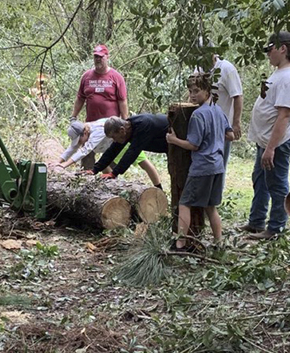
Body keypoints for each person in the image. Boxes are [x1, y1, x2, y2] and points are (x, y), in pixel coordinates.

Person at [240, 31, 290, 240]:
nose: (267, 53)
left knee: (276, 183)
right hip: (266, 140)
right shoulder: (280, 73)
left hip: (278, 142)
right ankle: (256, 222)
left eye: (270, 49)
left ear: (282, 48)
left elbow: (284, 115)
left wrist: (271, 148)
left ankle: (276, 228)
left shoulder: (289, 78)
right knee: (260, 180)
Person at [166, 74, 234, 250]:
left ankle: (180, 243)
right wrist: (215, 136)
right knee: (210, 206)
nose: (192, 95)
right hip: (218, 165)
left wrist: (174, 140)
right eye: (190, 91)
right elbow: (230, 135)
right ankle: (219, 243)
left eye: (196, 91)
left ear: (207, 90)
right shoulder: (217, 110)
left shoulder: (198, 115)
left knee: (184, 203)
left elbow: (193, 145)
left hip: (202, 166)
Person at [57, 119, 162, 188]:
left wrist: (65, 165)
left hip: (123, 143)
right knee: (104, 166)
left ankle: (158, 187)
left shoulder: (97, 130)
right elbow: (73, 147)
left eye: (79, 140)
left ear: (84, 132)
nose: (79, 143)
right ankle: (113, 188)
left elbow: (85, 150)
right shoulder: (86, 132)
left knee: (143, 163)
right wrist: (59, 163)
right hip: (112, 148)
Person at [70, 44, 128, 169]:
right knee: (87, 153)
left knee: (111, 155)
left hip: (112, 125)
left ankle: (112, 177)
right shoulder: (86, 76)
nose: (98, 59)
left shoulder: (116, 77)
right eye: (96, 56)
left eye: (101, 57)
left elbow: (122, 100)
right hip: (91, 125)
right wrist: (73, 117)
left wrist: (125, 121)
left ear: (107, 57)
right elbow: (80, 98)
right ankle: (86, 175)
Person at [90, 114, 169, 179]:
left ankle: (160, 189)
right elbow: (113, 150)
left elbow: (133, 152)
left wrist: (114, 173)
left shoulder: (142, 126)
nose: (114, 140)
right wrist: (95, 169)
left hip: (174, 143)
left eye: (114, 137)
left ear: (122, 130)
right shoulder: (126, 129)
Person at [209, 53, 243, 163]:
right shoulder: (199, 68)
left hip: (222, 127)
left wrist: (236, 123)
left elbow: (237, 96)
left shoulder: (227, 69)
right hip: (204, 126)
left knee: (219, 164)